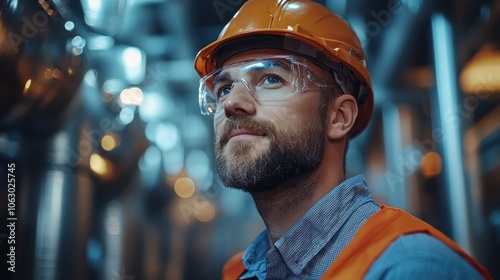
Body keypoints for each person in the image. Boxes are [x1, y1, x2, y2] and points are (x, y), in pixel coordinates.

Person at [193, 0, 492, 279]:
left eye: (272, 78)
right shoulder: (239, 272)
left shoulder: (411, 267)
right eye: (223, 89)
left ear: (339, 117)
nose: (232, 103)